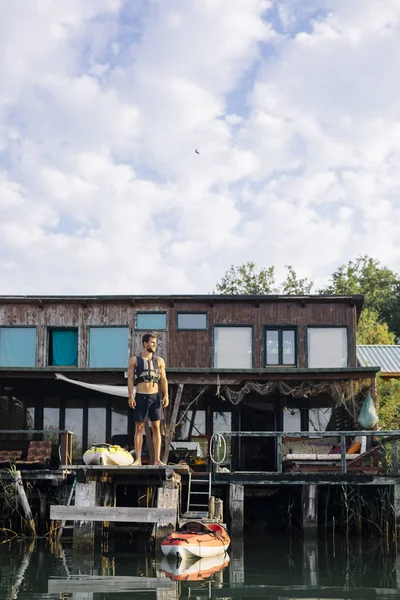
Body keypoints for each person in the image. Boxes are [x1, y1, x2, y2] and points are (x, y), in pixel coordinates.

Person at [127, 333, 169, 466]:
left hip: (155, 397)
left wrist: (166, 395)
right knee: (139, 427)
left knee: (156, 427)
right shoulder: (135, 360)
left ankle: (157, 459)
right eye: (152, 343)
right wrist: (130, 396)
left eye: (155, 343)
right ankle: (138, 459)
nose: (155, 345)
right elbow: (130, 379)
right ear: (145, 344)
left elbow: (163, 379)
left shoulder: (159, 361)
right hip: (141, 396)